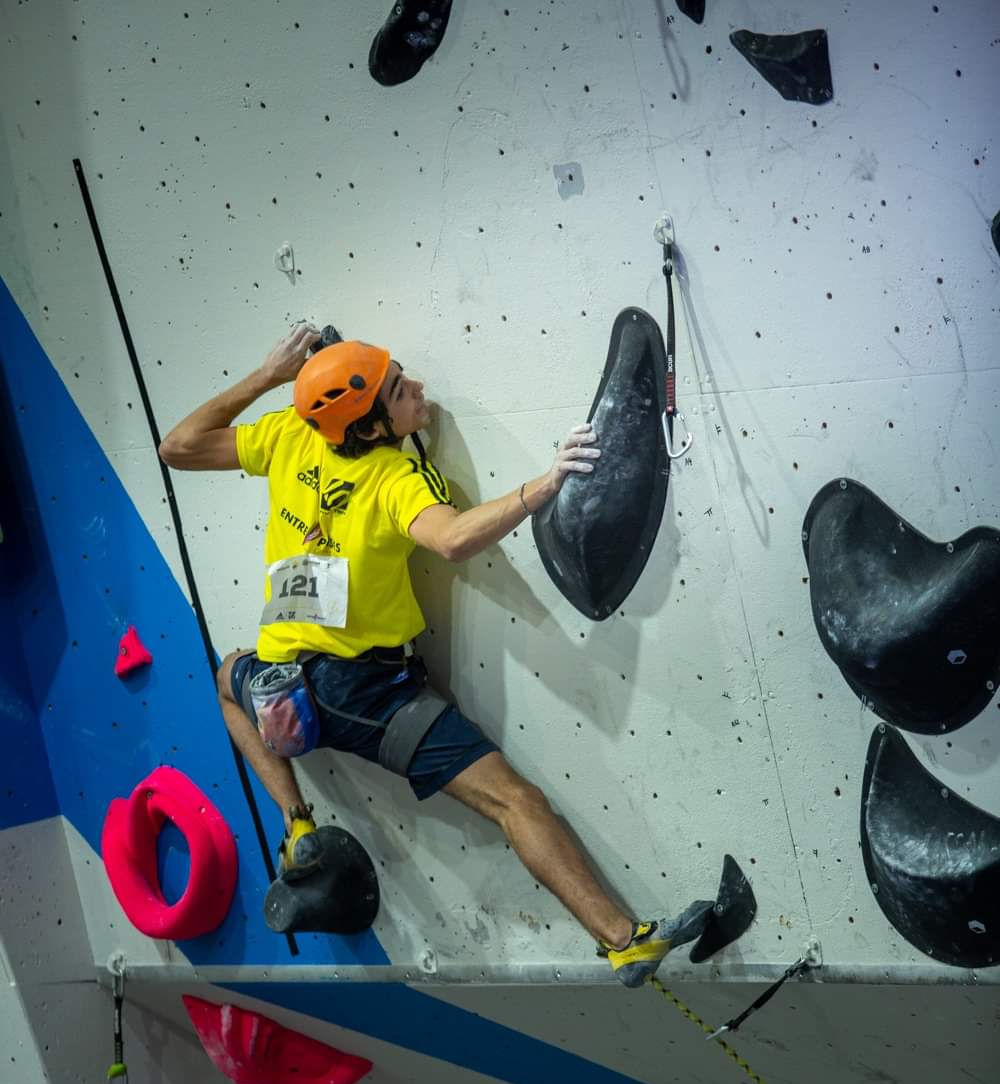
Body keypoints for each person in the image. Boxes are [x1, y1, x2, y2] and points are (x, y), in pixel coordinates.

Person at [159, 322, 711, 984]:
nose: (417, 386)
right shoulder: (396, 479)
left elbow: (177, 448)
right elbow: (453, 540)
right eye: (399, 389)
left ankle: (296, 824)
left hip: (277, 686)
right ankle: (624, 940)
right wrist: (546, 483)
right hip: (362, 694)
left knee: (226, 677)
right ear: (366, 427)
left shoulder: (290, 433)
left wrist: (270, 378)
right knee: (514, 800)